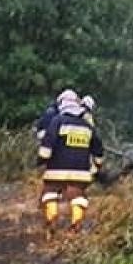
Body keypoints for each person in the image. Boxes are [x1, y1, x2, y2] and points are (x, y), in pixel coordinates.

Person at [37, 92, 103, 232]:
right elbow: (98, 148)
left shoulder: (57, 121)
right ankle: (76, 226)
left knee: (50, 192)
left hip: (56, 170)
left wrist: (41, 160)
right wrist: (97, 166)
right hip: (81, 172)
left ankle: (51, 221)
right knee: (78, 196)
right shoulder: (87, 125)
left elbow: (48, 143)